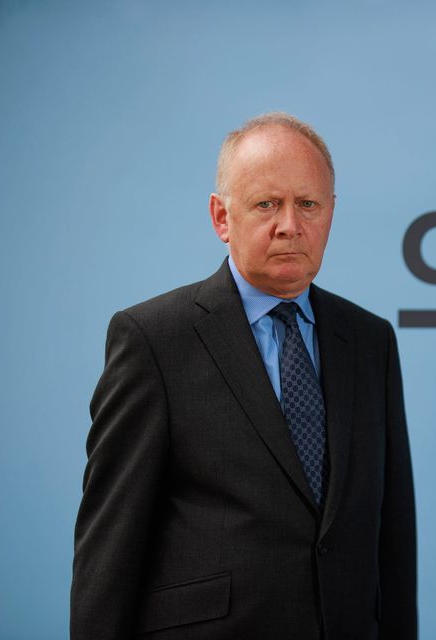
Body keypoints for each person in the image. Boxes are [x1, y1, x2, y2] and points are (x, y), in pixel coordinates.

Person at [71, 113, 417, 639]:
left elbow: (391, 538)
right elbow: (110, 548)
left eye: (307, 204)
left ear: (330, 213)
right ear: (221, 217)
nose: (289, 225)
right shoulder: (154, 339)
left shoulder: (370, 341)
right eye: (265, 204)